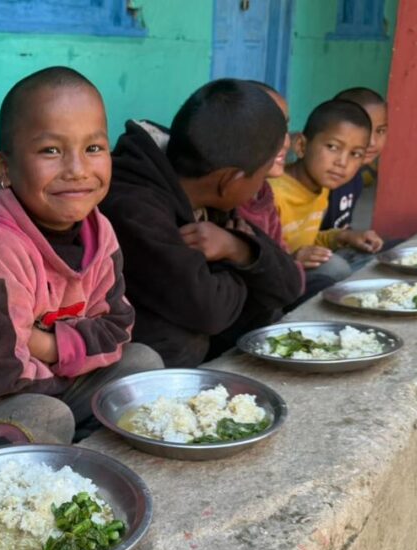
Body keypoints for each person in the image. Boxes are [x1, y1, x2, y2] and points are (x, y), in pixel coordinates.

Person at [0, 67, 163, 444]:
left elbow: (118, 328)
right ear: (5, 168)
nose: (77, 169)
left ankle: (79, 444)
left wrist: (47, 344)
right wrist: (76, 356)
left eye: (93, 148)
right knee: (48, 418)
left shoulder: (100, 232)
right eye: (51, 150)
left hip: (55, 379)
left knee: (143, 365)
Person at [100, 79, 301, 367]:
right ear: (230, 180)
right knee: (180, 339)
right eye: (262, 173)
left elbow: (289, 285)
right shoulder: (133, 205)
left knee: (267, 305)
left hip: (194, 312)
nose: (260, 186)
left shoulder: (209, 188)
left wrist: (239, 249)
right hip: (129, 346)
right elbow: (209, 311)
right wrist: (245, 275)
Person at [270, 99, 382, 300]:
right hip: (279, 278)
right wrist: (292, 259)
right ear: (302, 146)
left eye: (355, 154)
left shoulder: (321, 188)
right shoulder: (275, 194)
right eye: (332, 147)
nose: (342, 162)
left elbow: (309, 240)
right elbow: (260, 261)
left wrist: (343, 237)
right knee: (336, 268)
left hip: (301, 267)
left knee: (373, 257)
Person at [236, 81, 304, 294]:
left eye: (284, 127)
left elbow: (290, 270)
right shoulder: (227, 199)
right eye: (269, 129)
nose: (284, 141)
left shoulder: (263, 193)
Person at [318, 87, 390, 261]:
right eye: (365, 130)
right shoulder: (325, 176)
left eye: (380, 131)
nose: (372, 142)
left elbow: (341, 227)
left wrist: (355, 236)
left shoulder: (355, 177)